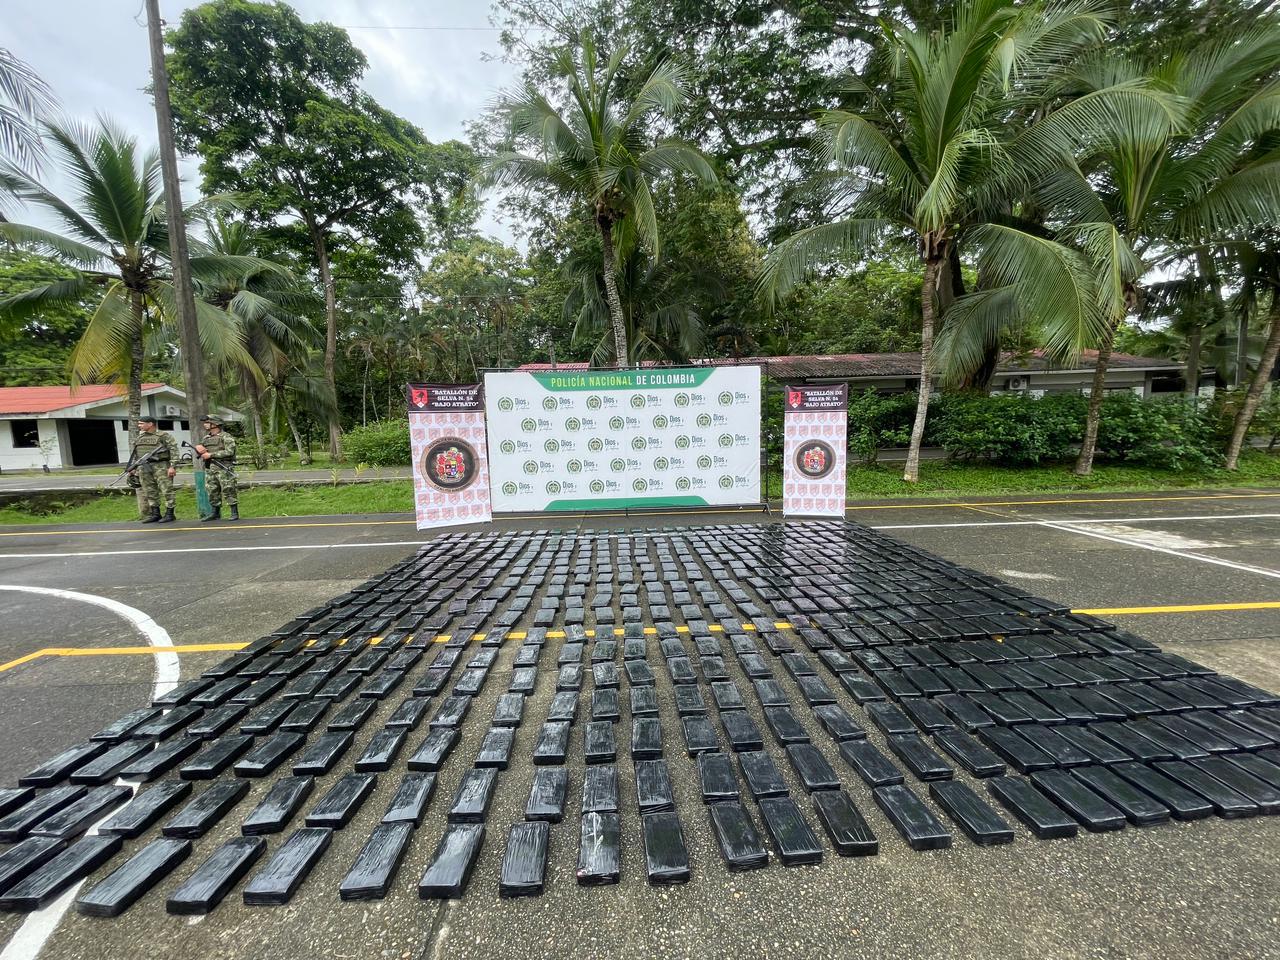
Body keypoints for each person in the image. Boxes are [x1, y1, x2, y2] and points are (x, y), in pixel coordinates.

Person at [129, 415, 178, 523]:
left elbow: (174, 450)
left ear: (150, 424)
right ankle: (155, 513)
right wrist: (133, 467)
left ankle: (170, 514)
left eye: (141, 423)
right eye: (139, 423)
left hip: (161, 466)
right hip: (144, 467)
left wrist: (172, 466)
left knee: (167, 490)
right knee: (149, 490)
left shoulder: (163, 435)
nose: (139, 425)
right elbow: (136, 454)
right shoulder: (140, 437)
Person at [195, 415, 239, 522]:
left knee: (228, 488)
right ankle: (215, 512)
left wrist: (211, 455)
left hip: (223, 467)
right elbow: (203, 453)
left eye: (207, 422)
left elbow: (229, 452)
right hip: (210, 468)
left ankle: (234, 512)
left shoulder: (226, 437)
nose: (205, 424)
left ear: (214, 424)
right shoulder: (206, 438)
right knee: (212, 490)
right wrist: (199, 450)